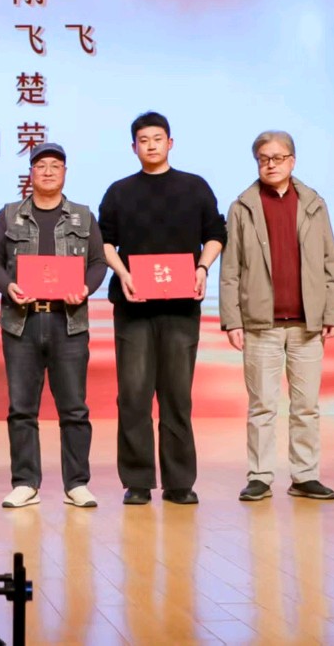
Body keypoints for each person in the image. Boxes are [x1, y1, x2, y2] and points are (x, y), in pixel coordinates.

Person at [99, 111, 226, 506]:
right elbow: (104, 241)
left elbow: (215, 233)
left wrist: (202, 268)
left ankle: (179, 482)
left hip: (181, 308)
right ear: (133, 147)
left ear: (170, 143)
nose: (151, 145)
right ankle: (137, 481)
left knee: (176, 396)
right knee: (133, 396)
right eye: (143, 140)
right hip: (133, 307)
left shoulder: (194, 187)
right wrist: (123, 273)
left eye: (157, 138)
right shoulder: (119, 192)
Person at [218, 131, 334, 503]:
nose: (270, 164)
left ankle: (305, 475)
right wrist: (232, 320)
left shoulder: (314, 204)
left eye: (277, 157)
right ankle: (260, 475)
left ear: (292, 160)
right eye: (263, 158)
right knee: (262, 406)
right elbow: (230, 269)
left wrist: (333, 311)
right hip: (262, 326)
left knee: (306, 407)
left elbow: (330, 261)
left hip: (307, 325)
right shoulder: (242, 207)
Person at [0, 143, 107, 509]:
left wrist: (86, 288)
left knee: (74, 409)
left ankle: (77, 484)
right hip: (21, 322)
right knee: (22, 408)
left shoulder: (83, 216)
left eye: (55, 166)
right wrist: (8, 286)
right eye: (41, 166)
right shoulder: (9, 215)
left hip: (68, 322)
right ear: (31, 173)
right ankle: (25, 482)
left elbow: (98, 262)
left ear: (65, 172)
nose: (48, 172)